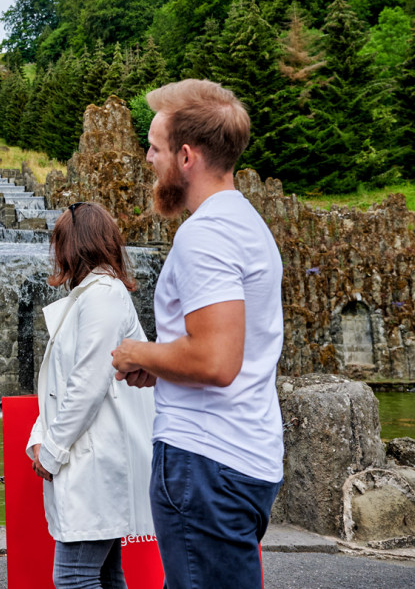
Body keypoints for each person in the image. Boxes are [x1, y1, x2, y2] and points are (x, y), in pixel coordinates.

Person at [110, 79, 284, 589]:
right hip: (241, 453)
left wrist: (134, 351)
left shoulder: (205, 235)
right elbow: (227, 349)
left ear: (186, 156)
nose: (146, 158)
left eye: (156, 147)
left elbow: (215, 360)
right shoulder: (246, 222)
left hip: (205, 462)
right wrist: (162, 363)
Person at [27, 201, 155, 589]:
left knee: (73, 578)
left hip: (96, 461)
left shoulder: (101, 296)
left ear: (74, 247)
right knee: (105, 574)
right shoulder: (96, 295)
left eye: (60, 244)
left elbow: (87, 383)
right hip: (96, 458)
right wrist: (40, 437)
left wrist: (50, 450)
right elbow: (64, 384)